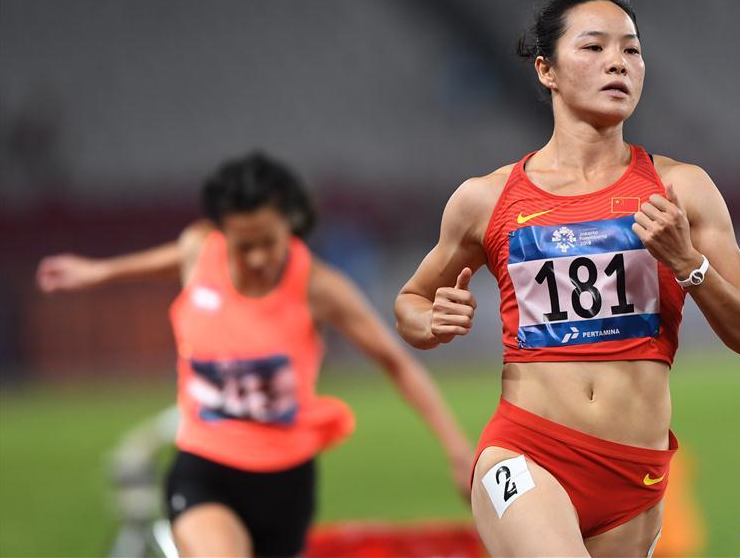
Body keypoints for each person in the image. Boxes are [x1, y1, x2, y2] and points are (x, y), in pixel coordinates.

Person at [395, 0, 740, 557]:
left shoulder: (682, 190)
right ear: (546, 70)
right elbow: (411, 303)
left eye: (632, 49)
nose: (618, 63)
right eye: (594, 48)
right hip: (526, 452)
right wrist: (432, 323)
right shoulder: (485, 199)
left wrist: (688, 262)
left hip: (635, 476)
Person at [37, 152, 473, 558]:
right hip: (204, 470)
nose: (259, 257)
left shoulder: (319, 287)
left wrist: (456, 449)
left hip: (285, 486)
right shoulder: (198, 251)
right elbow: (167, 260)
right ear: (220, 233)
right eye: (243, 246)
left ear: (290, 223)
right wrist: (100, 272)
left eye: (268, 241)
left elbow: (395, 362)